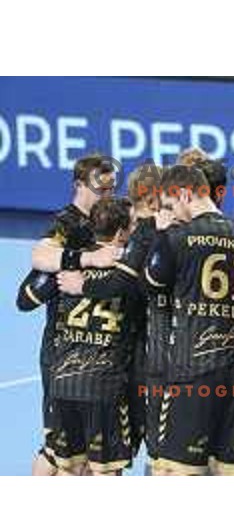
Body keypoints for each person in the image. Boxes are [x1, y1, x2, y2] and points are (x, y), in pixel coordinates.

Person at [144, 164, 234, 475]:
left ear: (184, 194)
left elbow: (151, 282)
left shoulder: (179, 237)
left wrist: (161, 233)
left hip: (192, 372)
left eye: (170, 206)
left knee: (174, 472)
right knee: (231, 473)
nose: (171, 214)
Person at [17, 198, 141, 475]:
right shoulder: (131, 269)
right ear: (121, 232)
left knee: (64, 467)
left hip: (63, 382)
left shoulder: (68, 261)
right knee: (105, 472)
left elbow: (25, 300)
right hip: (105, 388)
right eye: (133, 223)